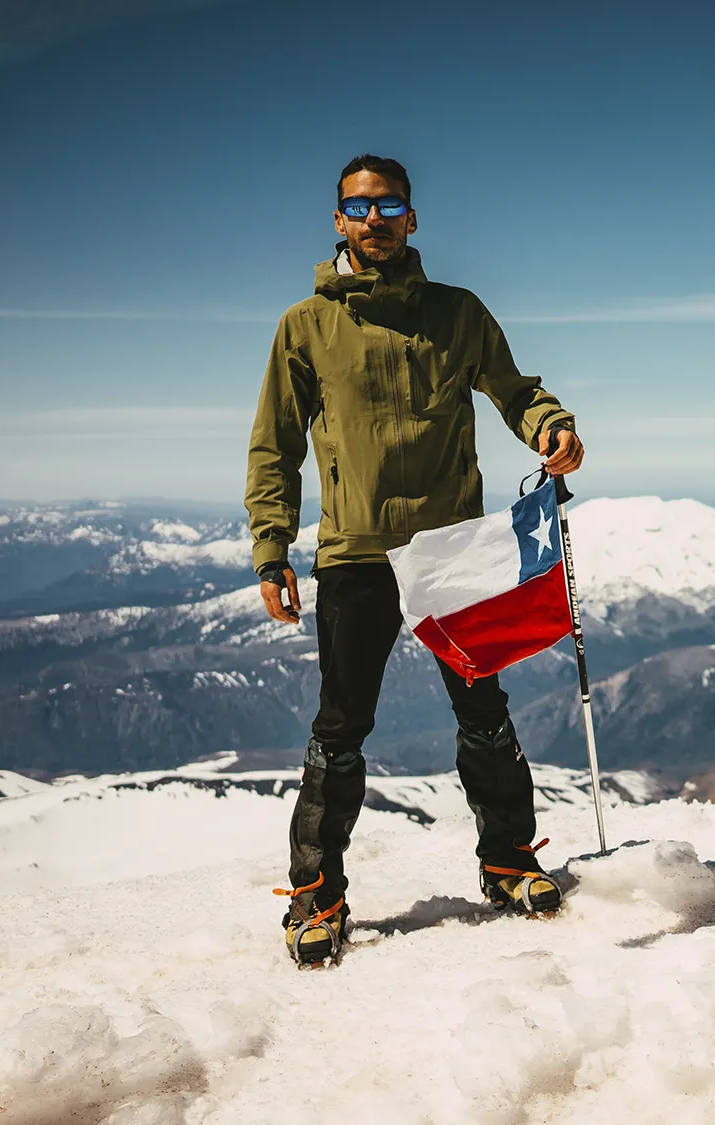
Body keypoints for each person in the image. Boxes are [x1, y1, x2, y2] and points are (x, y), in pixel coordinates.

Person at [245, 153, 586, 965]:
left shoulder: (457, 312)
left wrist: (550, 426)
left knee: (483, 710)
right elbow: (275, 446)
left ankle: (508, 863)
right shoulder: (306, 326)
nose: (375, 219)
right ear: (338, 221)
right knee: (341, 726)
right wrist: (273, 547)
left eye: (390, 204)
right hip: (355, 552)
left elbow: (513, 388)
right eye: (359, 207)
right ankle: (315, 898)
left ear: (412, 217)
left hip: (450, 547)